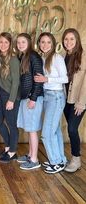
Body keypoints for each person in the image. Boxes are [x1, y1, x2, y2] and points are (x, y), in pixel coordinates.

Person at [34, 32, 68, 174]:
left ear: (53, 44)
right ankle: (60, 160)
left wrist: (47, 80)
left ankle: (55, 162)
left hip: (56, 97)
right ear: (39, 44)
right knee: (55, 131)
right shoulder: (43, 58)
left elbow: (65, 78)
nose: (45, 44)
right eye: (42, 42)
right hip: (47, 97)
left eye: (48, 42)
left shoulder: (57, 57)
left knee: (47, 133)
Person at [16, 33, 44, 170]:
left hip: (33, 98)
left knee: (32, 129)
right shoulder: (23, 56)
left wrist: (33, 98)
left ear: (29, 42)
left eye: (23, 42)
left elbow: (39, 80)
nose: (20, 44)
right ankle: (30, 154)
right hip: (25, 97)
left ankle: (34, 160)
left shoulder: (34, 56)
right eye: (18, 42)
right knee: (29, 128)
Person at [0, 32, 20, 163]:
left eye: (6, 42)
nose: (3, 45)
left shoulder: (13, 59)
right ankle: (9, 146)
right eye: (1, 42)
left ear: (10, 45)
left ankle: (13, 152)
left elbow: (16, 82)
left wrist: (11, 100)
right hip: (0, 94)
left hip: (10, 95)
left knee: (11, 124)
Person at [62, 28, 86, 172]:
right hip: (66, 99)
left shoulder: (83, 56)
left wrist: (81, 103)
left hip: (78, 100)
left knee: (72, 128)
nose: (68, 42)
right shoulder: (65, 55)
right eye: (66, 39)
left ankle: (76, 159)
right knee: (71, 129)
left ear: (76, 40)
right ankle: (74, 156)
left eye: (71, 39)